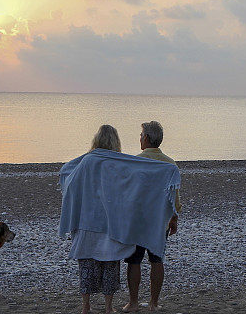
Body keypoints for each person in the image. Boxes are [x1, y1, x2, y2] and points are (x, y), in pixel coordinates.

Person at [59, 125, 180, 314]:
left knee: (93, 264)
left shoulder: (93, 161)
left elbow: (69, 175)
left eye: (141, 136)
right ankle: (120, 307)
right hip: (127, 221)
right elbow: (127, 188)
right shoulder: (123, 162)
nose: (140, 138)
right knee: (115, 263)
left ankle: (90, 306)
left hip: (102, 221)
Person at [123, 121, 181, 313]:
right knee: (157, 261)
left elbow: (128, 193)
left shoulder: (136, 162)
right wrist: (174, 218)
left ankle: (133, 302)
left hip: (138, 221)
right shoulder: (170, 163)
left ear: (146, 138)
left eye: (141, 135)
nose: (140, 138)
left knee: (134, 261)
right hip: (159, 222)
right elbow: (174, 197)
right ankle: (154, 304)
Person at [68, 125, 125, 314]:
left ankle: (86, 307)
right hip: (111, 221)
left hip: (88, 219)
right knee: (110, 263)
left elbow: (70, 178)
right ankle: (108, 308)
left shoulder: (87, 161)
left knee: (87, 263)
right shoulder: (118, 161)